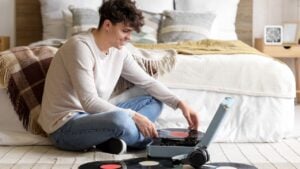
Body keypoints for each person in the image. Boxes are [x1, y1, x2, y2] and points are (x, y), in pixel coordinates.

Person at [38, 0, 199, 154]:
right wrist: (134, 116)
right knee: (120, 120)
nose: (129, 37)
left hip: (95, 118)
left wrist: (180, 103)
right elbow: (89, 102)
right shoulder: (80, 47)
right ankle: (153, 142)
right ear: (107, 25)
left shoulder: (119, 50)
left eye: (131, 32)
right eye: (125, 31)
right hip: (66, 127)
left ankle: (114, 138)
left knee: (154, 100)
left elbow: (147, 81)